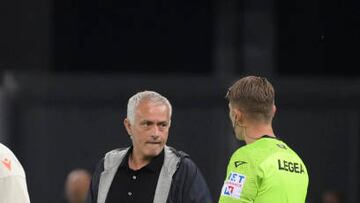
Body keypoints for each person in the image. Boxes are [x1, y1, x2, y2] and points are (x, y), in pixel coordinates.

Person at [86, 90, 212, 203]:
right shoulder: (107, 166)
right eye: (147, 124)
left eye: (162, 125)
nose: (156, 134)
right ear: (129, 126)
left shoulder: (182, 171)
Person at [218, 76, 309, 203]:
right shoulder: (297, 162)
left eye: (230, 113)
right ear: (273, 111)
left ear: (237, 116)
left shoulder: (245, 158)